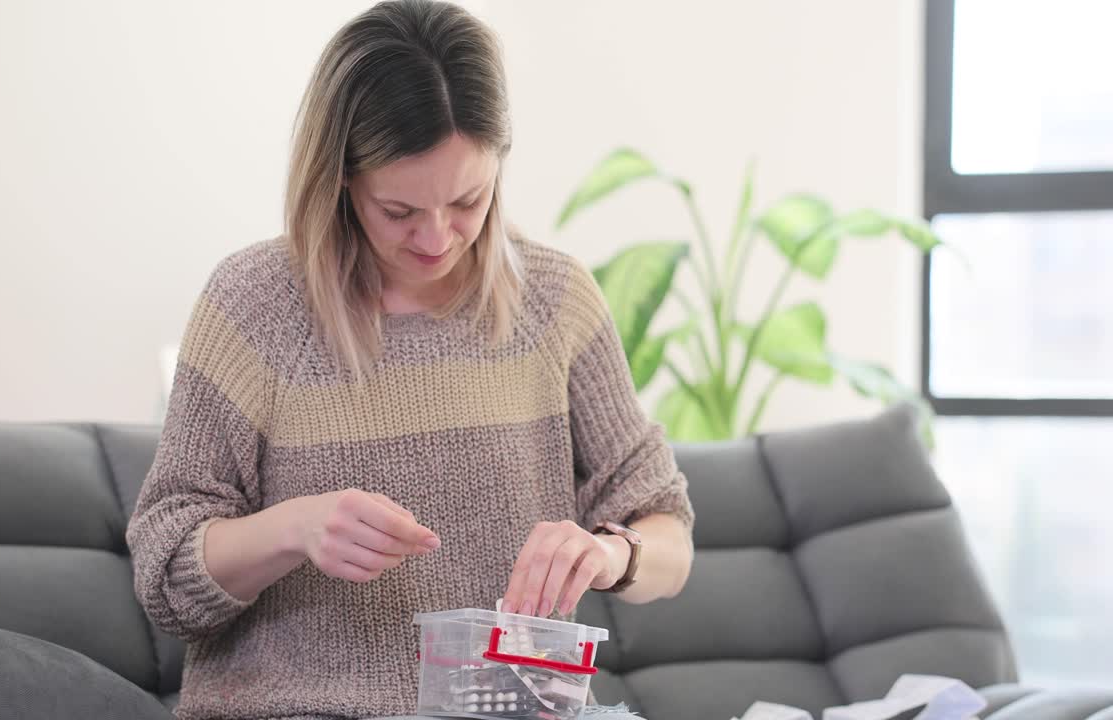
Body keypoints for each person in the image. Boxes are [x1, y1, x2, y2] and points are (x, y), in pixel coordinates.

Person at [125, 1, 695, 718]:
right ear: (339, 179)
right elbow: (164, 579)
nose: (436, 238)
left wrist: (613, 555)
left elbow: (667, 535)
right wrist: (295, 529)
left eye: (468, 200)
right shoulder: (254, 307)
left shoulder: (554, 302)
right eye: (399, 211)